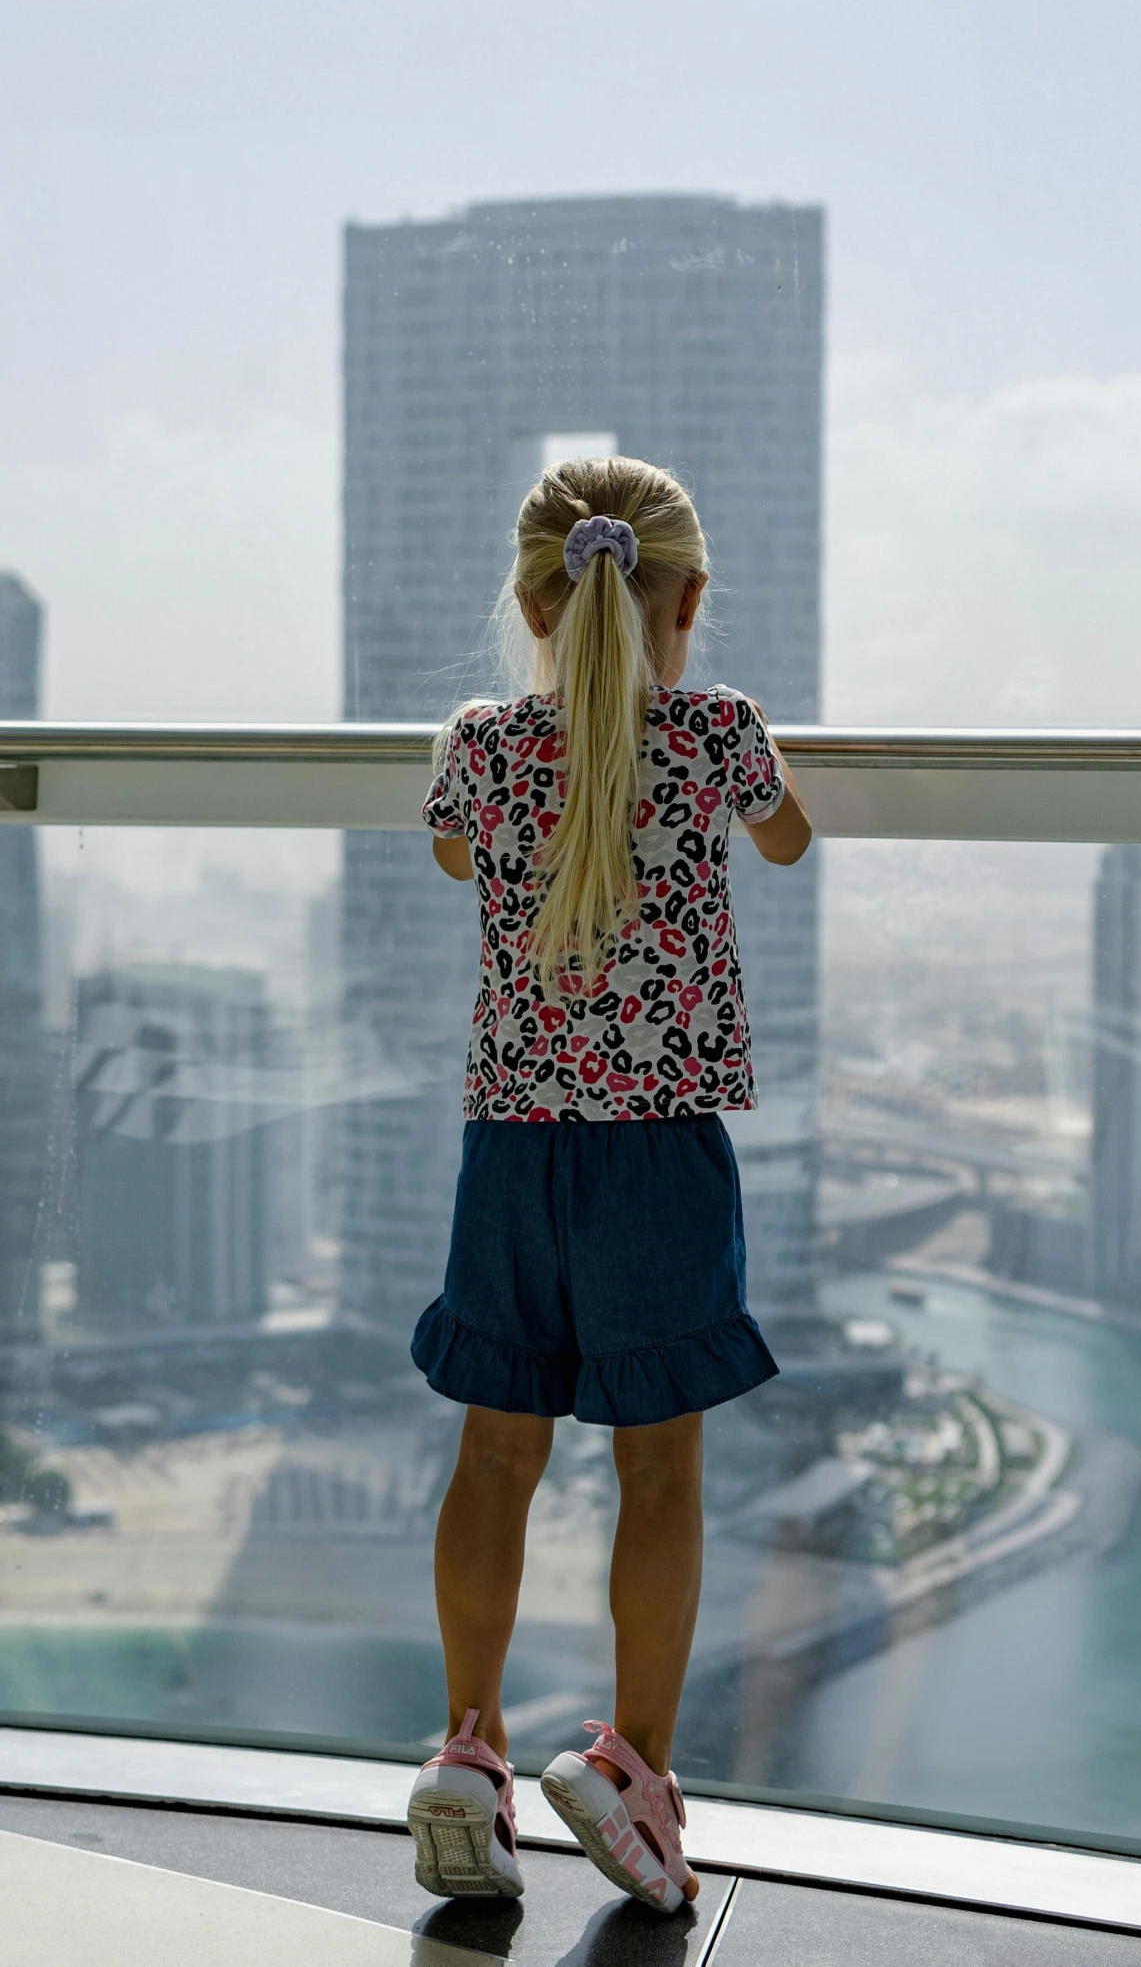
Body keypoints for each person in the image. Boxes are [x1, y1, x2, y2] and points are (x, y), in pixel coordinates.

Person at [403, 457, 812, 1914]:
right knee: (659, 1467)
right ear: (690, 597)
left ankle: (470, 1746)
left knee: (496, 1453)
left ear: (527, 602)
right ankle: (635, 1770)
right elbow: (789, 834)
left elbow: (457, 853)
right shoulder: (715, 732)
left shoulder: (478, 743)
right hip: (659, 1148)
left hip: (513, 1143)